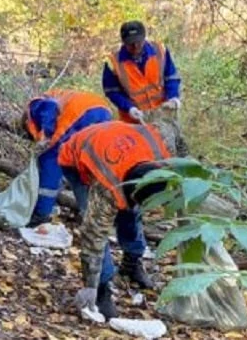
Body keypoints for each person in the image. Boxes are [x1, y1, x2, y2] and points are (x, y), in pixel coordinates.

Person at [57, 120, 177, 319]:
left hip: (115, 140)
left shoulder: (164, 156)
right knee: (95, 219)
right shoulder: (107, 185)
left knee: (131, 213)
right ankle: (103, 289)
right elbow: (93, 235)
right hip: (76, 157)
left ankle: (132, 262)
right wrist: (91, 285)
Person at [23, 89, 112, 225]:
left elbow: (49, 108)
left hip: (80, 113)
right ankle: (90, 218)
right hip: (103, 113)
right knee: (80, 170)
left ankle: (42, 214)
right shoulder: (61, 95)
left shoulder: (33, 107)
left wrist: (46, 136)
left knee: (50, 160)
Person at [102, 20, 181, 123]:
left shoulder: (160, 50)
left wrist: (173, 97)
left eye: (138, 42)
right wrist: (129, 108)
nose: (135, 47)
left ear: (144, 38)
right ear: (123, 42)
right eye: (131, 44)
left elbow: (171, 77)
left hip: (163, 113)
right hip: (134, 119)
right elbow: (112, 92)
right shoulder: (112, 63)